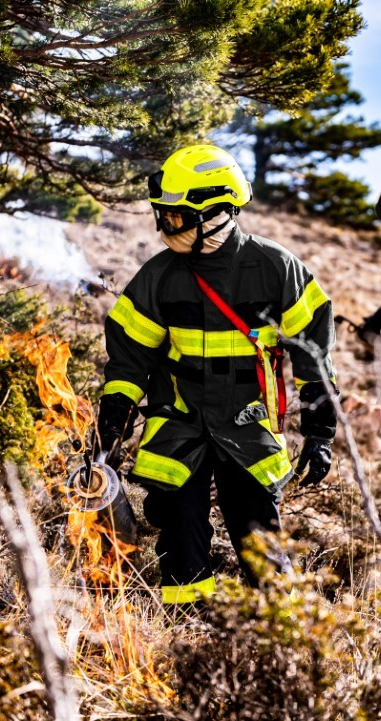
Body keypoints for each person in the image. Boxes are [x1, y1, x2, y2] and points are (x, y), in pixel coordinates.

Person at [96, 145, 338, 606]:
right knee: (179, 531)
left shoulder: (276, 268)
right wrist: (114, 415)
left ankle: (279, 625)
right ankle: (185, 625)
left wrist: (320, 433)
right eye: (163, 215)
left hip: (247, 422)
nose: (166, 227)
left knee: (258, 537)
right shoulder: (158, 276)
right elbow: (130, 359)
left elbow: (314, 356)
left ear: (216, 211)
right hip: (179, 421)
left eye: (176, 217)